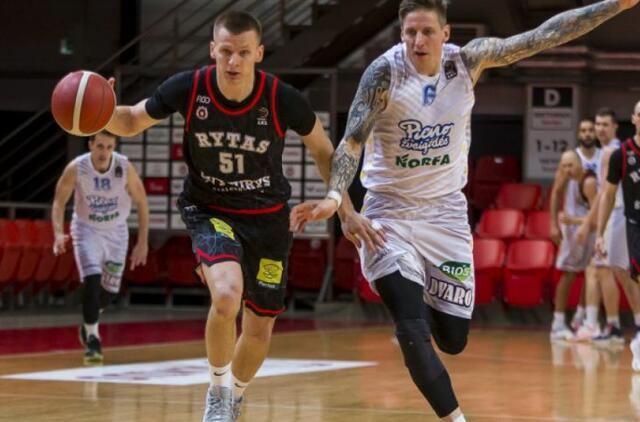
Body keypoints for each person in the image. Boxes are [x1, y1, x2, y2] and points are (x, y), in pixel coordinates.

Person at [291, 1, 640, 420]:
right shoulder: (383, 73)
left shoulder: (468, 61)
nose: (418, 40)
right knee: (410, 324)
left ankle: (419, 283)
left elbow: (542, 36)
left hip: (445, 215)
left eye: (427, 31)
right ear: (401, 34)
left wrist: (615, 5)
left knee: (454, 340)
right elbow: (351, 143)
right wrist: (335, 200)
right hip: (389, 212)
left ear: (445, 33)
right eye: (409, 32)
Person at [102, 11, 373, 422]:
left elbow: (324, 151)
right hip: (209, 209)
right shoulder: (189, 88)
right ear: (213, 49)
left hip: (268, 218)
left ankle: (235, 396)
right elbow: (132, 119)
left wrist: (345, 210)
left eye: (243, 53)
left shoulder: (280, 98)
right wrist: (101, 111)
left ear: (258, 54)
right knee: (227, 296)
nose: (233, 61)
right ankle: (217, 392)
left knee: (259, 327)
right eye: (226, 51)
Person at [52, 130, 149, 364]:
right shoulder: (77, 168)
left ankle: (89, 322)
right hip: (86, 230)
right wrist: (57, 233)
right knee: (92, 281)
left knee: (109, 294)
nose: (104, 152)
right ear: (90, 145)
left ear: (114, 147)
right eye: (100, 146)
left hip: (116, 232)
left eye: (109, 147)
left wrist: (142, 242)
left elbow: (142, 202)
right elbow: (59, 202)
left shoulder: (124, 167)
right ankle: (93, 339)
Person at [596, 100, 640, 370]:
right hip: (631, 221)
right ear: (633, 118)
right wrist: (600, 232)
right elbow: (608, 194)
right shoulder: (620, 154)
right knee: (628, 275)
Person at [549, 138, 600, 341]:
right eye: (564, 166)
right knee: (569, 274)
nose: (567, 169)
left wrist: (574, 221)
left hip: (590, 231)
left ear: (580, 164)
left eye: (570, 165)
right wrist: (554, 224)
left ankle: (580, 318)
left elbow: (597, 215)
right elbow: (555, 194)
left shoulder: (588, 182)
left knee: (591, 273)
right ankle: (558, 322)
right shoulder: (566, 179)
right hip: (575, 232)